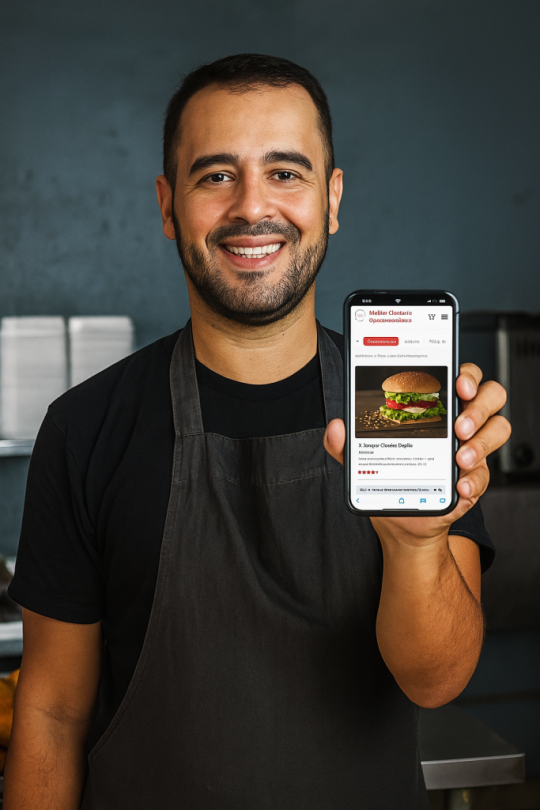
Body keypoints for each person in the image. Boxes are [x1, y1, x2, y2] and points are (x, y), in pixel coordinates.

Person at [4, 54, 510, 809]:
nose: (251, 208)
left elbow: (434, 681)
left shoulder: (407, 409)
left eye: (285, 172)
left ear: (332, 199)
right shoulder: (84, 430)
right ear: (168, 204)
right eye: (215, 175)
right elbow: (50, 712)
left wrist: (417, 544)